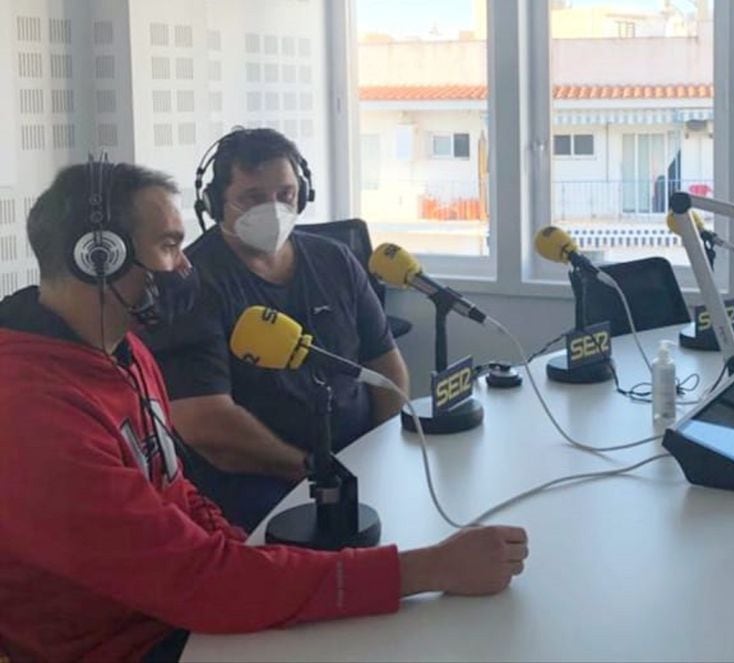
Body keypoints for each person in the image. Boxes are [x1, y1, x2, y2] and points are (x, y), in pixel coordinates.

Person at [0, 161, 527, 661]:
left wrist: (254, 554)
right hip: (132, 646)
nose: (185, 266)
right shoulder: (31, 414)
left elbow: (175, 491)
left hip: (186, 615)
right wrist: (428, 569)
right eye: (168, 246)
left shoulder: (125, 348)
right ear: (99, 258)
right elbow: (197, 582)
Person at [143, 128, 409, 530]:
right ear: (216, 204)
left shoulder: (335, 260)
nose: (273, 208)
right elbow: (206, 423)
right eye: (252, 198)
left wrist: (380, 454)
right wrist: (315, 472)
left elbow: (386, 365)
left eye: (285, 194)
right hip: (259, 481)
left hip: (358, 459)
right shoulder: (193, 283)